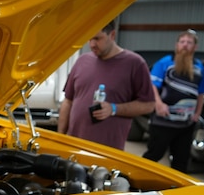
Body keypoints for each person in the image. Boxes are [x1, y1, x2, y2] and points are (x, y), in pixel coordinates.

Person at [57, 20, 155, 150]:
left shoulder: (135, 64)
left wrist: (114, 109)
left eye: (97, 38)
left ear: (112, 35)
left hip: (107, 152)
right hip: (74, 147)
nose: (92, 44)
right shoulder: (82, 61)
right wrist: (60, 137)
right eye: (89, 39)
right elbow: (68, 101)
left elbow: (149, 105)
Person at [142, 29, 204, 173]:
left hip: (186, 124)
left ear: (195, 47)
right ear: (176, 45)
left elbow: (201, 92)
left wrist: (197, 113)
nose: (185, 45)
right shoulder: (165, 63)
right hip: (163, 121)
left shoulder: (199, 67)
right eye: (182, 42)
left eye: (189, 42)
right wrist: (158, 104)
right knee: (154, 155)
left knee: (181, 161)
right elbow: (152, 86)